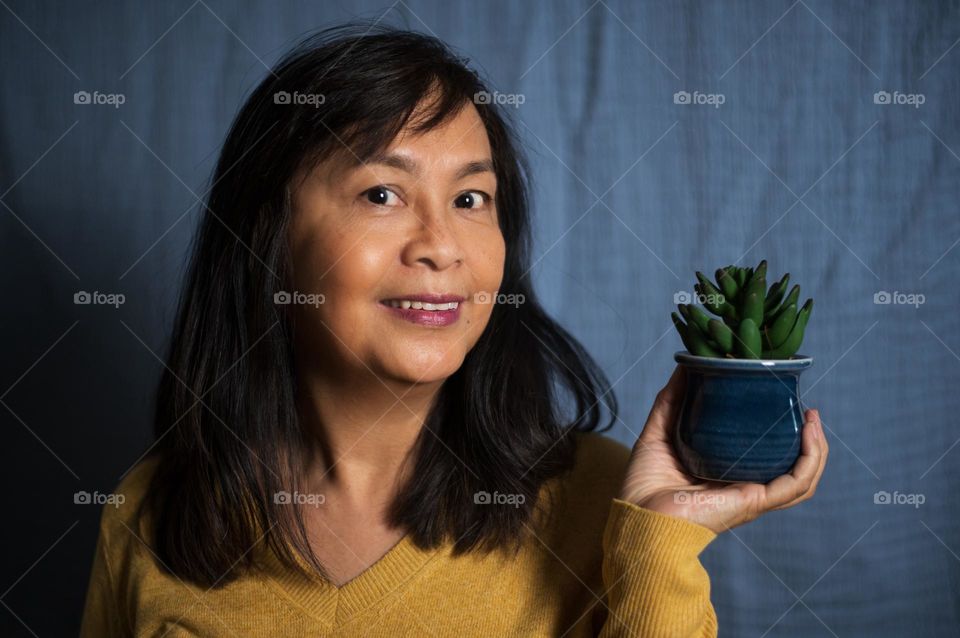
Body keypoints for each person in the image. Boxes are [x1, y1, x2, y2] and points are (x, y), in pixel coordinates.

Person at [80, 23, 827, 637]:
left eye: (472, 199)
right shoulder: (145, 515)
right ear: (266, 239)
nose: (442, 244)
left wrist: (658, 545)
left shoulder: (605, 507)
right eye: (382, 193)